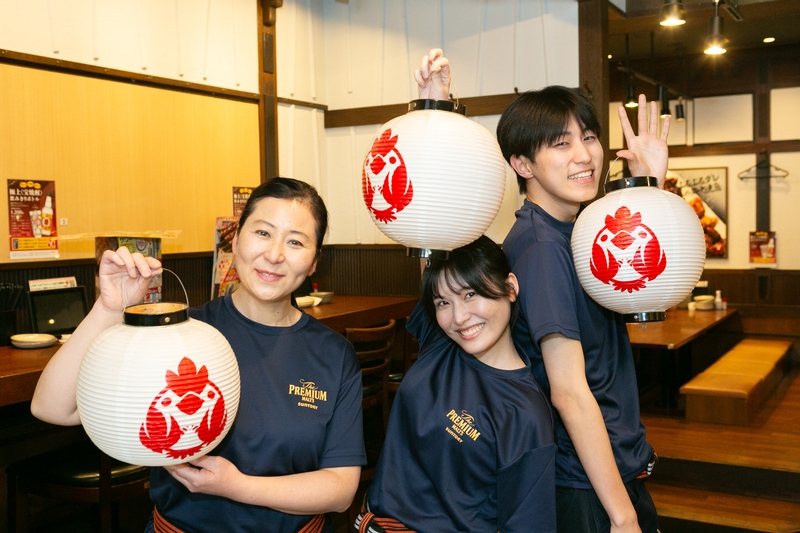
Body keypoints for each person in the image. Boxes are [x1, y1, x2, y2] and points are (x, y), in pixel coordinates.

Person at [417, 49, 669, 532]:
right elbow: (569, 392)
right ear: (523, 163)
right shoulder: (542, 247)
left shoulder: (576, 230)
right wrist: (622, 516)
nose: (584, 155)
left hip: (603, 471)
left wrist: (650, 182)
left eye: (589, 137)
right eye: (560, 144)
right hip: (587, 485)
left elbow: (645, 279)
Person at [31, 177, 365, 533]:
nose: (274, 255)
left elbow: (340, 489)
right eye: (263, 233)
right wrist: (108, 308)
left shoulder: (333, 353)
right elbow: (54, 408)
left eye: (295, 241)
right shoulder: (179, 335)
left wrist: (238, 486)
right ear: (234, 240)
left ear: (314, 262)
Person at [358, 235, 557, 533]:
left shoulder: (526, 416)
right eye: (443, 302)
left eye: (470, 294)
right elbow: (430, 231)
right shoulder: (440, 340)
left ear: (510, 288)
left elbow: (528, 525)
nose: (459, 318)